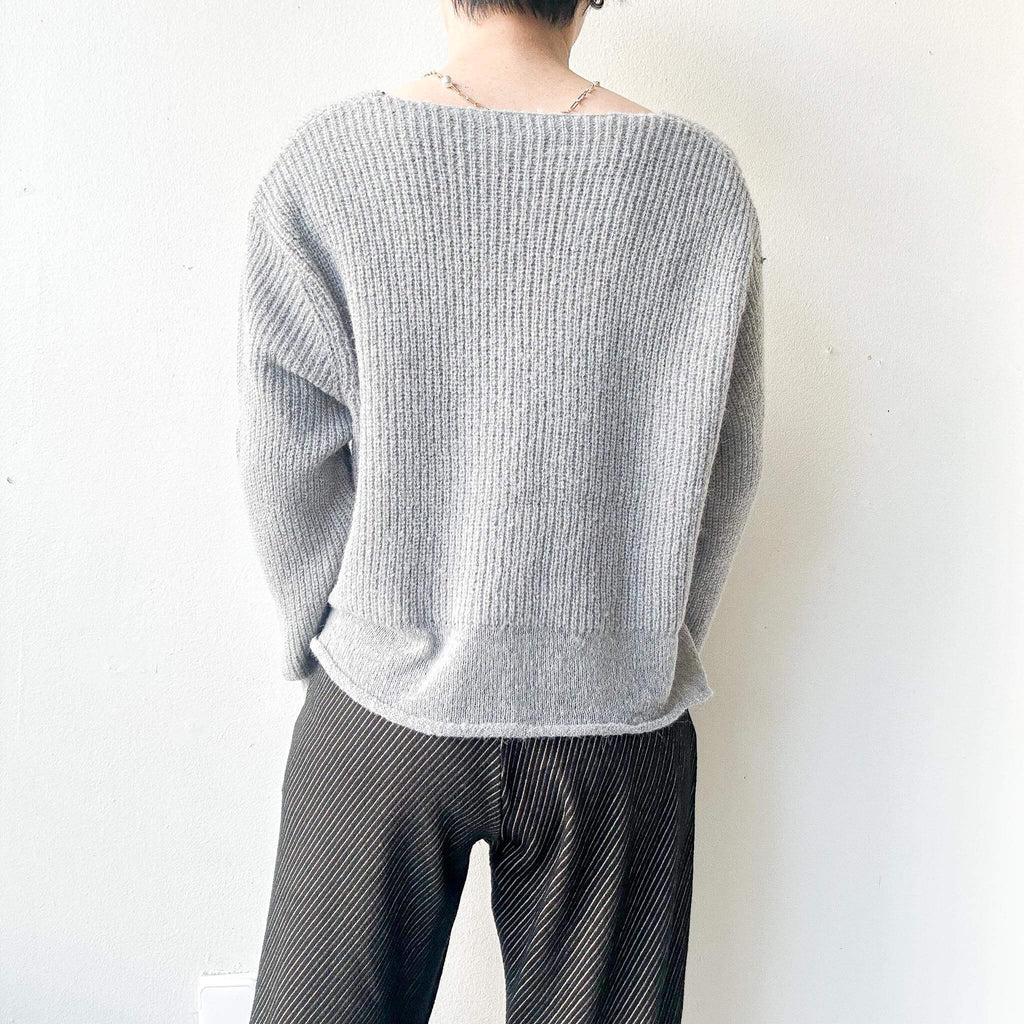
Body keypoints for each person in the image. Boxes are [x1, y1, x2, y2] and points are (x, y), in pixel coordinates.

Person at [235, 0, 766, 1020]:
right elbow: (727, 465)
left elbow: (285, 456)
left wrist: (331, 637)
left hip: (384, 705)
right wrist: (640, 639)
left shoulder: (331, 165)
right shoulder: (698, 183)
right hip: (616, 720)